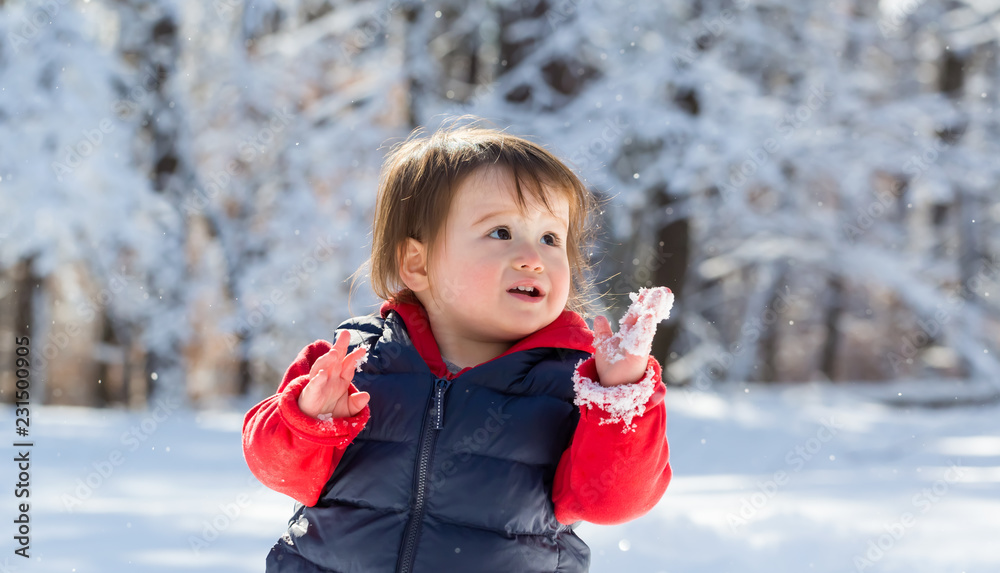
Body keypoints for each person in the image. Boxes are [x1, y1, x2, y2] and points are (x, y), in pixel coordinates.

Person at [242, 122, 675, 573]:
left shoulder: (569, 385)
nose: (533, 256)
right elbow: (278, 470)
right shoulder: (353, 362)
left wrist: (623, 397)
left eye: (550, 238)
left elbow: (615, 503)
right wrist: (311, 419)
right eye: (501, 232)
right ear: (417, 262)